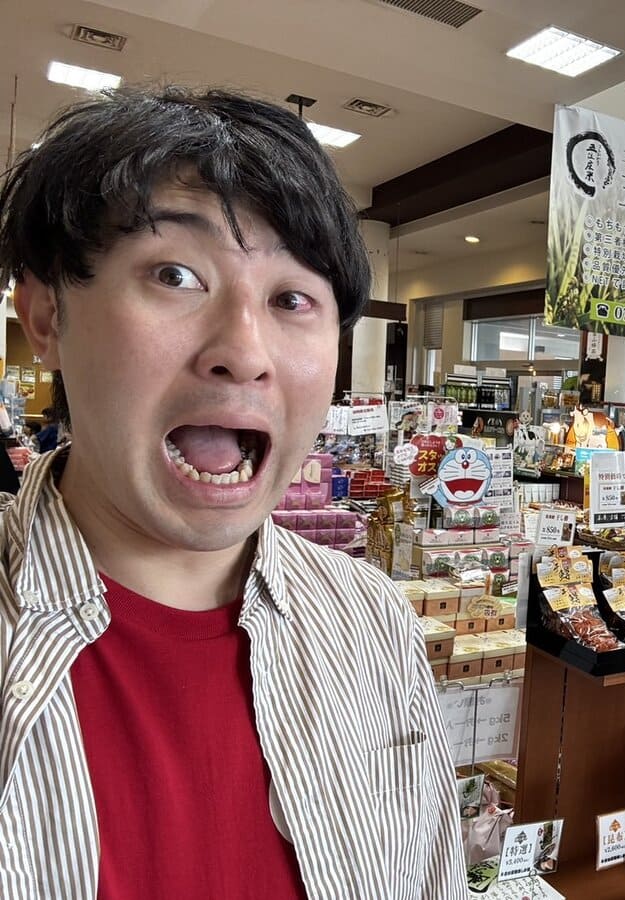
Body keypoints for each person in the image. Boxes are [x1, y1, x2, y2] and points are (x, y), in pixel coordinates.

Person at [0, 86, 468, 899]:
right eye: (176, 274)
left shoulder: (372, 626)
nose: (243, 352)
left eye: (293, 299)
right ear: (45, 317)